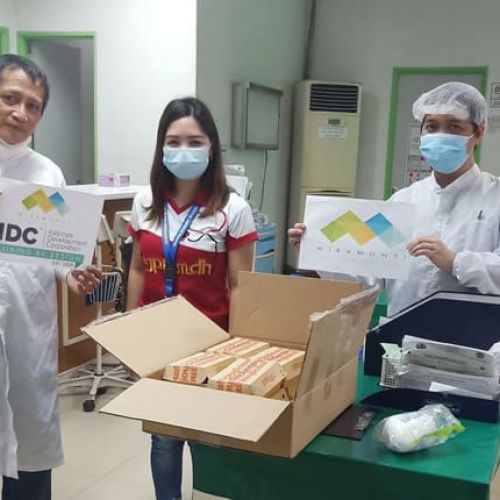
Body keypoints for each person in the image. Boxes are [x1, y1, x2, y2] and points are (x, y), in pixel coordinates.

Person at [126, 97, 258, 500]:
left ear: (211, 146)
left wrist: (239, 348)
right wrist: (128, 334)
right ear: (161, 147)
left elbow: (241, 285)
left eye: (194, 142)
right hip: (156, 340)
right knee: (164, 438)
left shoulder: (232, 209)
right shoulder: (144, 202)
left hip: (210, 341)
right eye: (174, 141)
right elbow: (138, 269)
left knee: (207, 437)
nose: (184, 151)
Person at [289, 82, 500, 317]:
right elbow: (369, 275)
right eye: (431, 127)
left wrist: (455, 262)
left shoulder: (495, 198)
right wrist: (317, 250)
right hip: (403, 331)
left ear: (478, 132)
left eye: (454, 126)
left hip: (474, 335)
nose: (441, 135)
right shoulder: (402, 202)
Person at [0, 54, 102, 500]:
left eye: (33, 106)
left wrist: (73, 275)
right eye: (10, 98)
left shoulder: (46, 174)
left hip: (27, 329)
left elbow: (62, 252)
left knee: (29, 449)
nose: (20, 113)